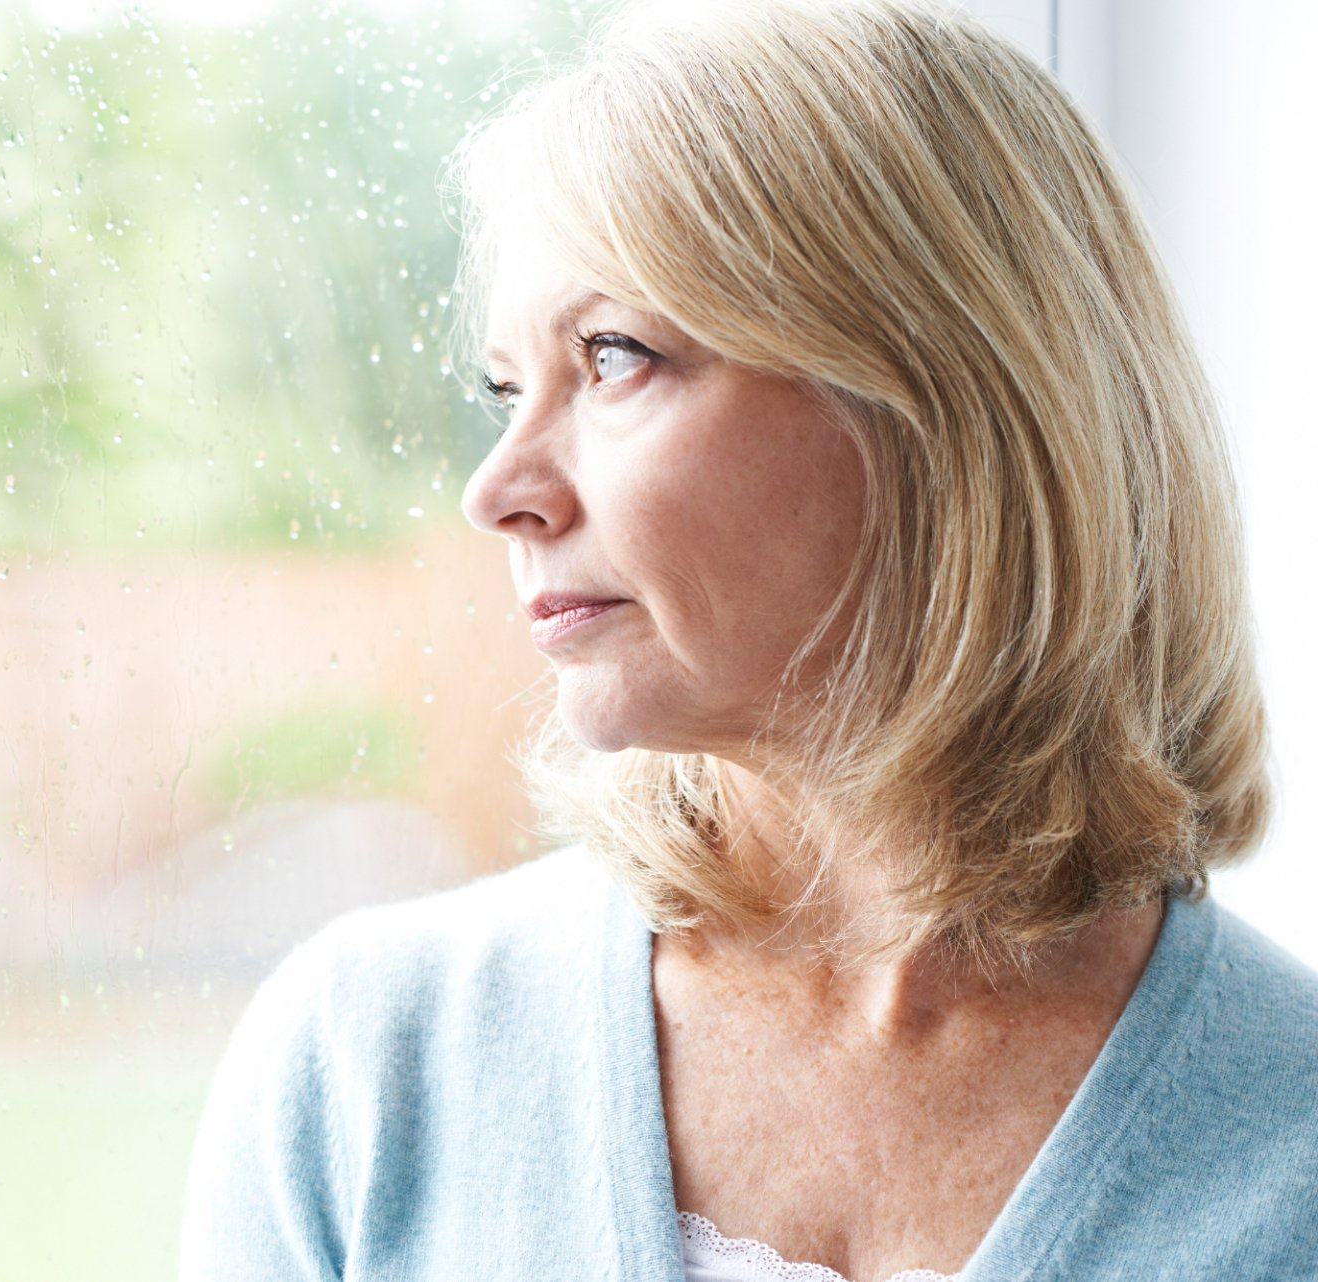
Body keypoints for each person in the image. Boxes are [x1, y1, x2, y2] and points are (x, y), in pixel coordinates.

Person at [178, 2, 1318, 1278]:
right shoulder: (367, 1073)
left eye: (612, 357)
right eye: (507, 390)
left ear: (948, 401)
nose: (497, 487)